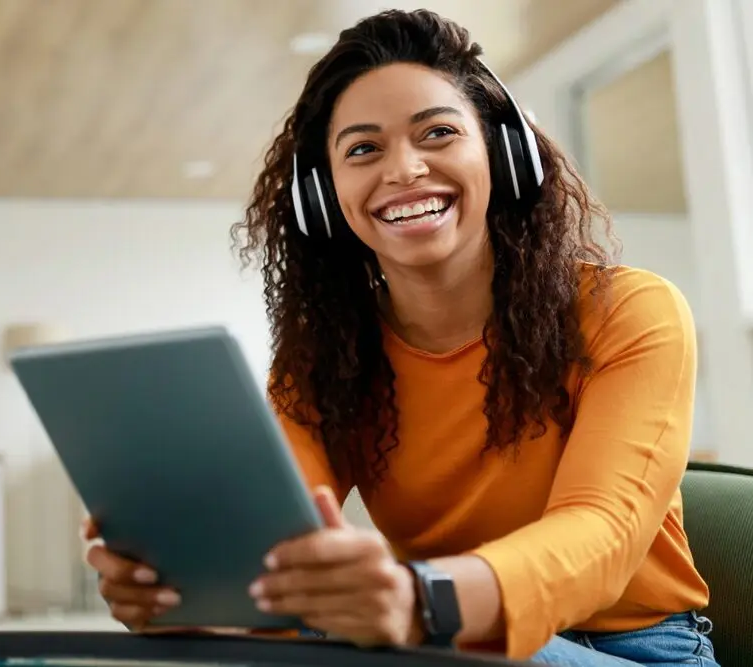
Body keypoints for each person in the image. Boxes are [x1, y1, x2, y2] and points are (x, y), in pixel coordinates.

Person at [82, 8, 720, 667]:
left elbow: (603, 535)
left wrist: (423, 601)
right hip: (439, 644)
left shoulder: (630, 312)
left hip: (639, 651)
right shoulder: (326, 360)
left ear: (502, 154)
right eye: (363, 149)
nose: (405, 169)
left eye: (438, 132)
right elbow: (279, 567)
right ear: (323, 197)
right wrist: (184, 594)